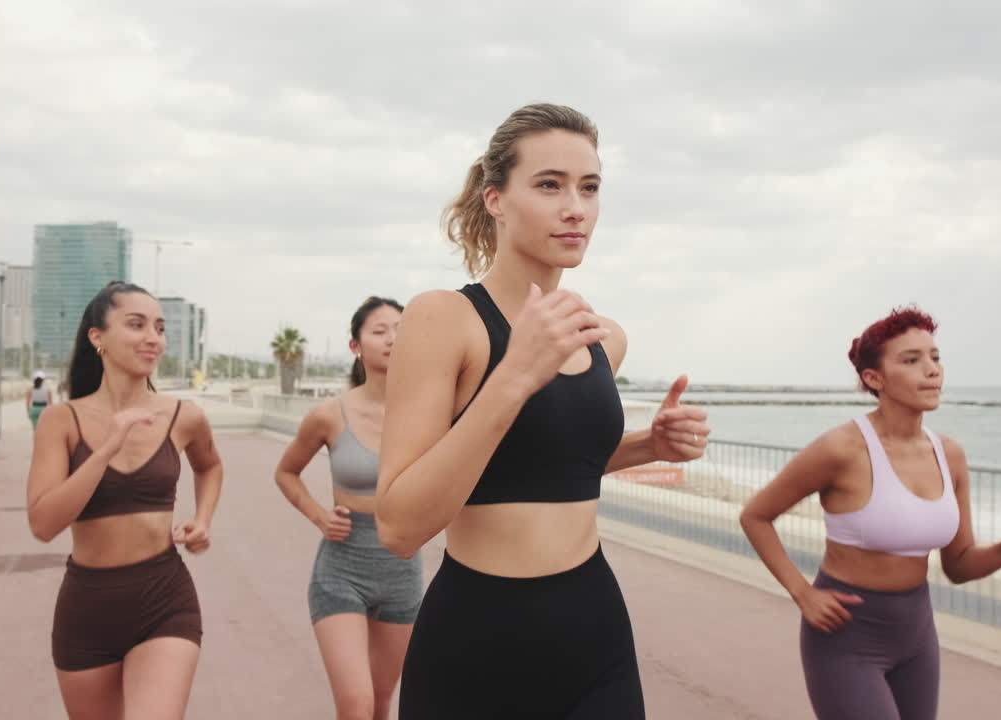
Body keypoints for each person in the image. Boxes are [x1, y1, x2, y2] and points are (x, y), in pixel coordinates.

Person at [376, 103, 711, 719]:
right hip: (475, 643)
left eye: (589, 188)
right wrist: (514, 376)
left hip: (594, 631)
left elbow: (541, 467)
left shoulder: (601, 336)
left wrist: (647, 446)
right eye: (549, 184)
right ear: (495, 198)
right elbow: (399, 527)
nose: (575, 207)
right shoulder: (444, 319)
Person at [739, 306, 1001, 720]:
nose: (932, 371)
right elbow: (755, 516)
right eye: (912, 360)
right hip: (846, 638)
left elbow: (958, 565)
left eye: (935, 358)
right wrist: (803, 593)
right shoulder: (841, 449)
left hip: (917, 637)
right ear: (875, 379)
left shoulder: (950, 455)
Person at [25, 281, 224, 720]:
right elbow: (43, 524)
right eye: (136, 325)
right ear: (98, 337)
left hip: (164, 599)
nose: (152, 337)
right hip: (87, 608)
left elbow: (209, 466)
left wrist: (203, 518)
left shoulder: (183, 415)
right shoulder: (62, 420)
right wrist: (107, 447)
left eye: (159, 326)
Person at [275, 296, 418, 720]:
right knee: (355, 703)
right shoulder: (329, 414)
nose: (393, 338)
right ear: (355, 346)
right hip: (341, 570)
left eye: (401, 329)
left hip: (402, 570)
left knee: (379, 703)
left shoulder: (427, 413)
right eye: (380, 331)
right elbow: (286, 472)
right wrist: (319, 515)